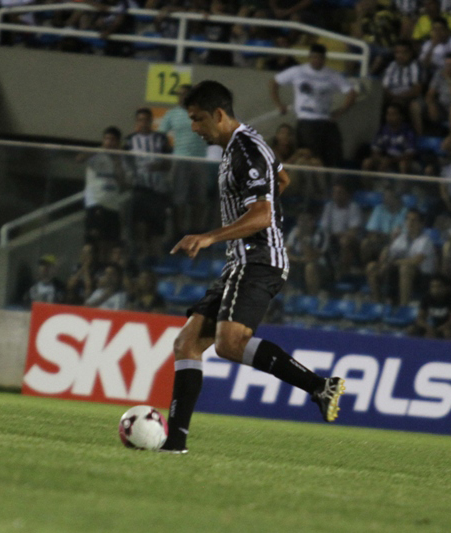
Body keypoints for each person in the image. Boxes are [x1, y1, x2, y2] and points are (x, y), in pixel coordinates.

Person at [162, 80, 346, 453]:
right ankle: (174, 443)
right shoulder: (241, 146)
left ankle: (319, 387)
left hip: (259, 259)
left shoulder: (246, 149)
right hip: (242, 260)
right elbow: (282, 179)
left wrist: (211, 236)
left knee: (230, 344)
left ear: (219, 114)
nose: (194, 129)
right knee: (186, 344)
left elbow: (262, 214)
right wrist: (265, 209)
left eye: (198, 120)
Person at [269, 43, 357, 168]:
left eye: (320, 58)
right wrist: (279, 104)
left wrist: (341, 111)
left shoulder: (332, 74)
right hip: (306, 120)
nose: (317, 60)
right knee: (310, 156)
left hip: (326, 120)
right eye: (314, 57)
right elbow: (274, 82)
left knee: (332, 155)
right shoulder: (298, 71)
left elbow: (351, 92)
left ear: (324, 59)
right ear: (310, 57)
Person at [159, 84, 210, 238]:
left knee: (199, 198)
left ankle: (197, 230)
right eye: (180, 94)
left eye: (185, 94)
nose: (182, 97)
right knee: (179, 198)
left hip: (199, 160)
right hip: (179, 159)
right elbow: (160, 136)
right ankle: (179, 232)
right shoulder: (171, 114)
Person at [124, 107, 172, 264]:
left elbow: (168, 163)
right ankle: (142, 259)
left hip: (158, 191)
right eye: (140, 120)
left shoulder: (160, 139)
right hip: (140, 189)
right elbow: (126, 164)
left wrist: (158, 167)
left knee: (156, 230)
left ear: (151, 122)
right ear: (136, 122)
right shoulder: (130, 140)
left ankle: (157, 263)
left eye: (146, 120)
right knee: (140, 227)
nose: (143, 123)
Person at [367, 209, 438, 306]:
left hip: (422, 277)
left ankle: (403, 306)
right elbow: (389, 256)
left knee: (406, 268)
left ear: (421, 223)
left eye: (413, 220)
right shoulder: (401, 238)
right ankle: (377, 303)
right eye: (408, 219)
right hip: (399, 273)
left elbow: (416, 261)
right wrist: (386, 253)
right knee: (372, 267)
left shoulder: (425, 240)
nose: (410, 223)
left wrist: (393, 263)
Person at [81, 126, 126, 259]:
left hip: (112, 206)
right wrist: (92, 151)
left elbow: (123, 184)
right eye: (106, 139)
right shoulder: (96, 155)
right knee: (93, 242)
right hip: (96, 203)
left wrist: (116, 161)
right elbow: (79, 158)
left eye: (112, 140)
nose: (109, 142)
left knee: (110, 242)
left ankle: (104, 268)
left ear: (118, 143)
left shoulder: (122, 159)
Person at [318, 182, 362, 279]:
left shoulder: (353, 207)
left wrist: (339, 235)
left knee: (345, 241)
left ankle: (342, 272)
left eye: (339, 193)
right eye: (334, 193)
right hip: (331, 238)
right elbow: (324, 227)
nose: (336, 196)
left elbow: (353, 231)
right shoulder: (329, 207)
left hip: (349, 241)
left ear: (347, 194)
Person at [361, 103, 416, 174]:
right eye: (388, 114)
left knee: (403, 164)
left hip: (400, 160)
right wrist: (381, 160)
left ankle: (402, 185)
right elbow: (375, 150)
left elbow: (409, 154)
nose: (389, 117)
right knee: (367, 162)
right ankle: (366, 185)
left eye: (393, 114)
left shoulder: (408, 131)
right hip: (384, 159)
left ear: (401, 116)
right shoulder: (382, 130)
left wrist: (390, 161)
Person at [408, 275, 451, 339]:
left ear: (446, 287)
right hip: (434, 327)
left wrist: (436, 330)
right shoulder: (427, 298)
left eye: (439, 286)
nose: (435, 289)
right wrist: (428, 328)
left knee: (447, 332)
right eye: (432, 286)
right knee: (411, 329)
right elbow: (420, 318)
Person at [285, 210, 329, 295]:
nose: (301, 224)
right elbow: (286, 253)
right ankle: (283, 297)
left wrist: (302, 239)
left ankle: (312, 297)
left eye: (305, 220)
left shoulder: (321, 233)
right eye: (300, 220)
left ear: (312, 221)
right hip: (299, 262)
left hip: (320, 267)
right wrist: (297, 259)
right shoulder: (294, 231)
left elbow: (312, 257)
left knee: (310, 267)